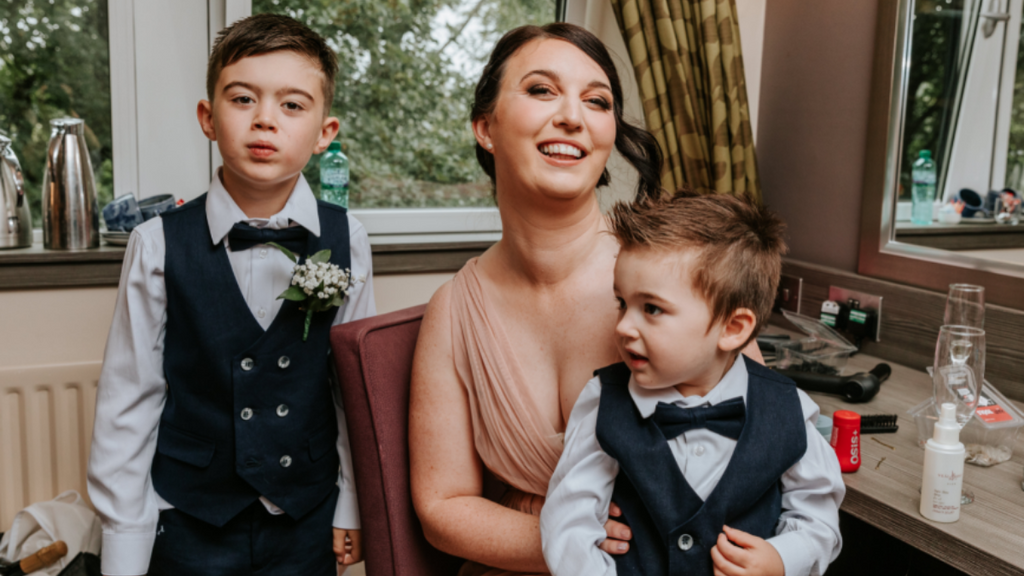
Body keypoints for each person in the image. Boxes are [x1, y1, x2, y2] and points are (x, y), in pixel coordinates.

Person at [409, 23, 761, 575]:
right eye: (542, 90)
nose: (572, 116)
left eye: (597, 101)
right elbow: (442, 507)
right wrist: (570, 541)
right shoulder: (454, 310)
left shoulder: (683, 274)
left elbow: (762, 456)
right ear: (485, 127)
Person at [86, 14, 372, 576]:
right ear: (208, 117)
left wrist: (352, 503)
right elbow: (129, 399)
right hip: (189, 518)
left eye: (292, 105)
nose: (265, 119)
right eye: (243, 99)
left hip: (305, 516)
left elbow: (353, 391)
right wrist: (125, 541)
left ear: (324, 133)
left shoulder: (349, 238)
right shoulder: (154, 244)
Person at [539, 192, 845, 576]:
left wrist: (783, 559)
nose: (623, 326)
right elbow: (568, 522)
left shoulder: (788, 408)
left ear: (732, 329)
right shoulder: (604, 401)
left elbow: (819, 517)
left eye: (651, 308)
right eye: (622, 303)